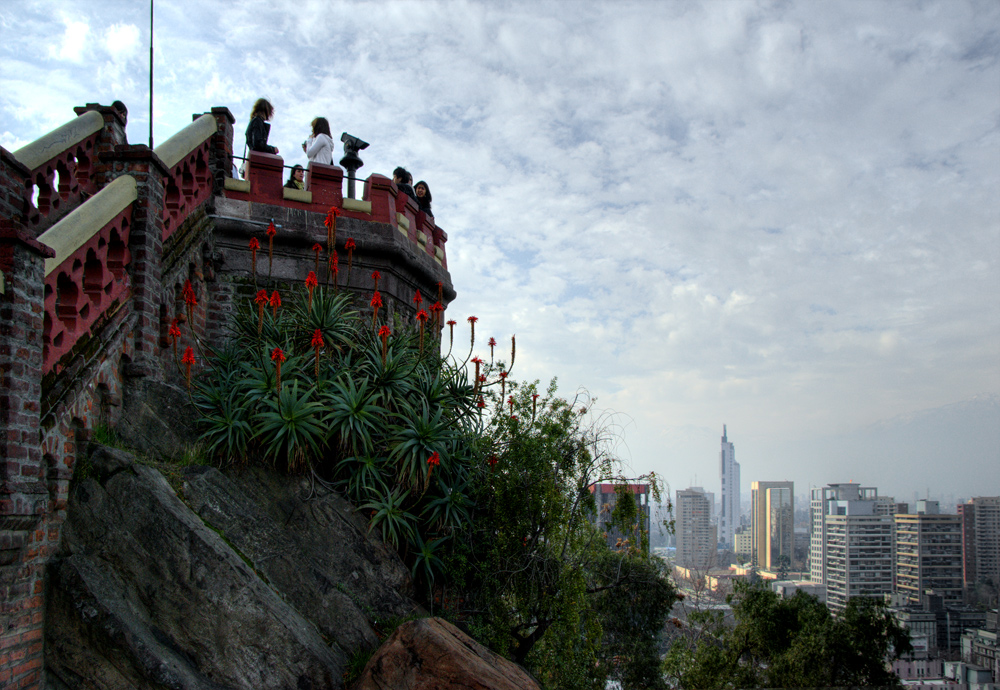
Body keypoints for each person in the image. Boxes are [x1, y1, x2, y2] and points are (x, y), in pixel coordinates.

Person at [242, 98, 278, 177]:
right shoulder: (258, 121)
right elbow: (258, 144)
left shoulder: (254, 121)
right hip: (256, 161)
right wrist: (272, 149)